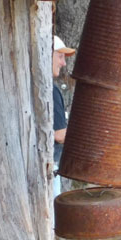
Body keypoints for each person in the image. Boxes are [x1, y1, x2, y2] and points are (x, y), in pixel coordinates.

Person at [52, 35, 75, 199]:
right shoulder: (51, 91)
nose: (63, 63)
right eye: (60, 56)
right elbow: (59, 135)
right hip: (49, 168)